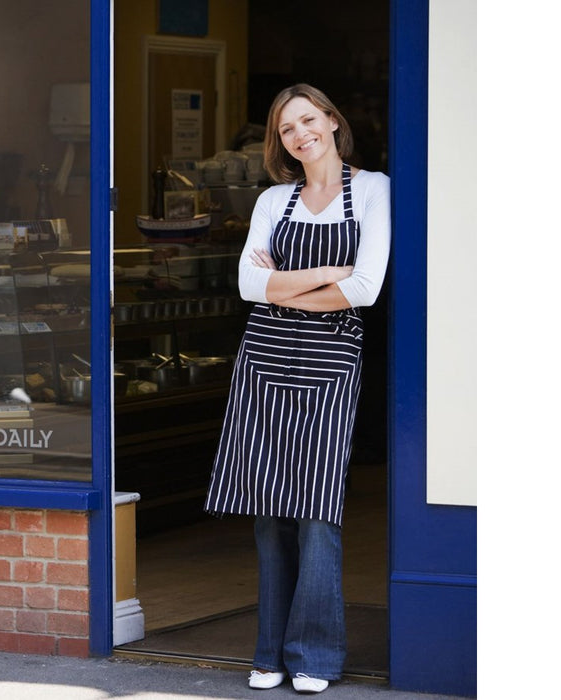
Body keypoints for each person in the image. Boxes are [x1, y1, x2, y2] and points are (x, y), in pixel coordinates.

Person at [203, 83, 390, 694]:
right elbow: (248, 287)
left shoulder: (373, 190)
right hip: (262, 358)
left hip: (332, 359)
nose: (299, 134)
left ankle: (313, 655)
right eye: (286, 129)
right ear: (278, 141)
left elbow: (365, 289)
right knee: (267, 509)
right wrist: (326, 272)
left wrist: (285, 284)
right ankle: (269, 653)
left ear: (332, 121)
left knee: (315, 510)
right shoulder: (272, 200)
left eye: (308, 120)